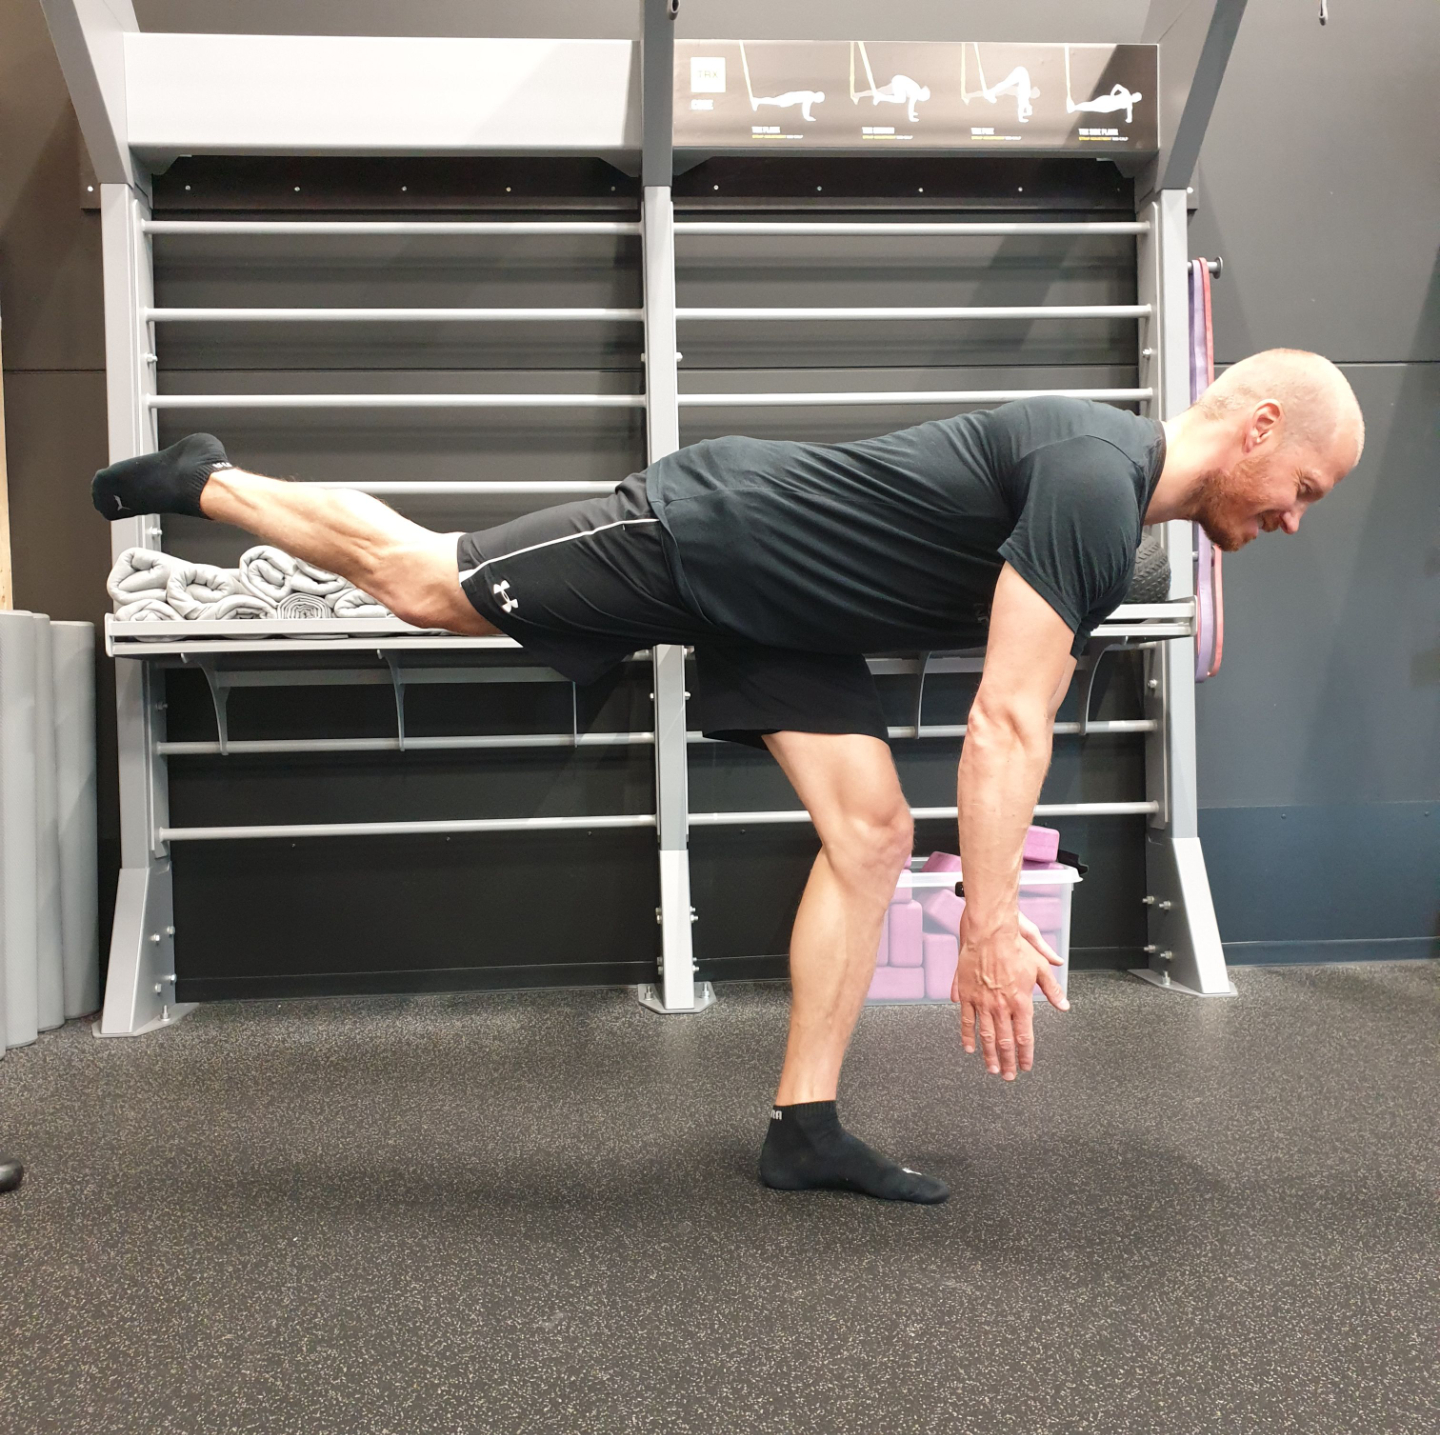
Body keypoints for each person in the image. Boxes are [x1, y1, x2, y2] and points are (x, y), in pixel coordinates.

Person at [91, 349, 1363, 1206]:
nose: (1295, 517)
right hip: (716, 530)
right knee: (430, 583)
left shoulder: (1110, 504)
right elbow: (1005, 724)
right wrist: (988, 927)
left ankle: (804, 1129)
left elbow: (1010, 712)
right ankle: (210, 478)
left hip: (797, 615)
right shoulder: (1096, 476)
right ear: (1257, 426)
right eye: (1302, 486)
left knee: (871, 837)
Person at [1067, 82, 1143, 126]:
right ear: (1134, 95)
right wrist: (1112, 94)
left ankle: (1074, 108)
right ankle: (1074, 108)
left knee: (1091, 106)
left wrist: (1128, 119)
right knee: (1091, 105)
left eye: (1136, 99)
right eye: (1136, 97)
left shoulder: (1129, 104)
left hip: (1107, 107)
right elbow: (1117, 86)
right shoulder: (1126, 95)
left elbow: (1129, 118)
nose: (1135, 99)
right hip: (1107, 101)